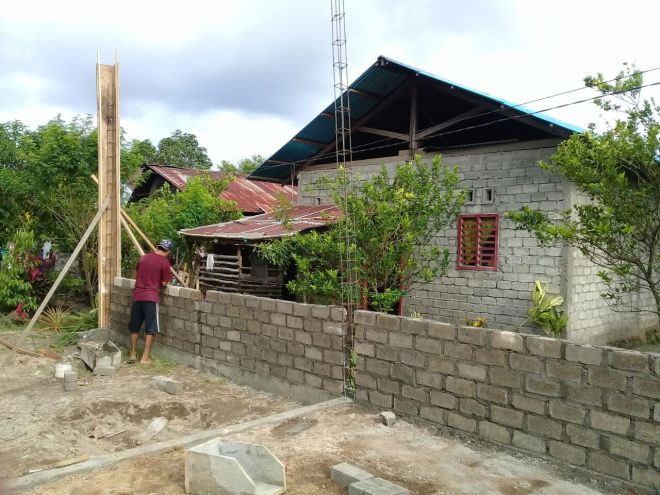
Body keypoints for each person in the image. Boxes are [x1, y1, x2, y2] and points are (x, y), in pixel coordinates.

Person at [128, 239, 173, 364]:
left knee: (134, 327)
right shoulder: (164, 262)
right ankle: (145, 358)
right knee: (150, 329)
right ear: (168, 252)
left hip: (137, 296)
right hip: (151, 298)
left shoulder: (143, 258)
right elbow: (164, 283)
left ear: (157, 247)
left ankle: (132, 354)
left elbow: (136, 275)